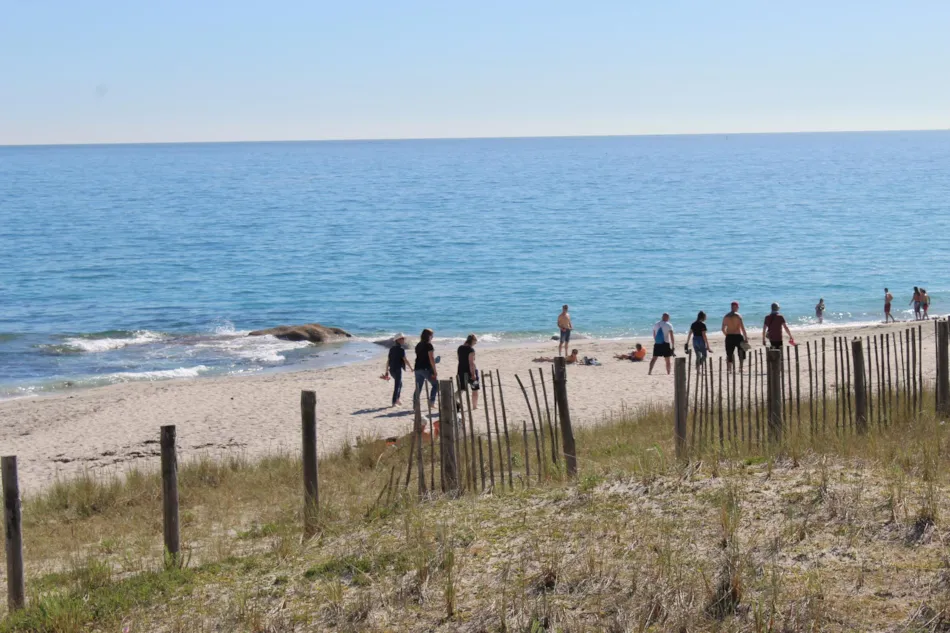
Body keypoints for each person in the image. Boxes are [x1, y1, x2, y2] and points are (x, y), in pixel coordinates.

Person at [383, 333, 411, 406]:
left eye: (403, 338)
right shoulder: (401, 349)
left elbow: (388, 360)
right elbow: (405, 360)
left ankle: (397, 399)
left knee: (400, 384)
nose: (403, 340)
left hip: (391, 370)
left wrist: (386, 371)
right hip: (397, 370)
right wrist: (411, 368)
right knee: (397, 385)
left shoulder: (391, 349)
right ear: (398, 340)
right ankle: (394, 402)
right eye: (402, 339)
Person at [413, 328, 438, 407]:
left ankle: (415, 406)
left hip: (417, 368)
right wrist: (435, 371)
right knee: (436, 385)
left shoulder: (418, 345)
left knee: (418, 388)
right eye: (432, 335)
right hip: (426, 368)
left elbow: (421, 356)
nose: (432, 337)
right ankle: (431, 402)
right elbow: (431, 358)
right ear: (429, 336)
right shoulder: (429, 345)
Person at [721, 301, 749, 370]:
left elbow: (722, 329)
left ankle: (729, 368)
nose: (738, 308)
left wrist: (727, 335)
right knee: (741, 352)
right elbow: (742, 328)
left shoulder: (726, 316)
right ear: (736, 307)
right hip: (738, 336)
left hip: (729, 336)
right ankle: (740, 368)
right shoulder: (738, 316)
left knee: (729, 353)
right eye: (737, 307)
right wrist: (746, 338)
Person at [457, 334, 480, 409]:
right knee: (475, 389)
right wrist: (473, 374)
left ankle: (453, 400)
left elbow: (459, 359)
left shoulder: (460, 348)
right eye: (475, 341)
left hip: (461, 370)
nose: (475, 343)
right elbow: (471, 363)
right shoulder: (471, 350)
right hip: (470, 371)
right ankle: (474, 406)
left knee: (461, 388)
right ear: (472, 341)